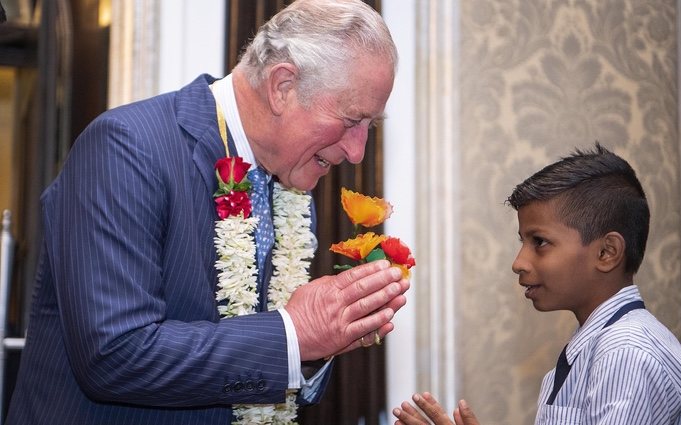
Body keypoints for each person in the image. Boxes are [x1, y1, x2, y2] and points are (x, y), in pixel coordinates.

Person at [7, 1, 409, 424]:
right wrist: (293, 336)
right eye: (351, 120)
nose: (357, 150)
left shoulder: (290, 180)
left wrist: (316, 346)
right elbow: (115, 353)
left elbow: (250, 364)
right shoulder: (127, 147)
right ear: (283, 86)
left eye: (371, 126)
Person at [393, 143, 681, 425]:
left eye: (539, 242)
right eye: (523, 241)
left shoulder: (626, 352)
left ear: (607, 252)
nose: (519, 262)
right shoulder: (600, 344)